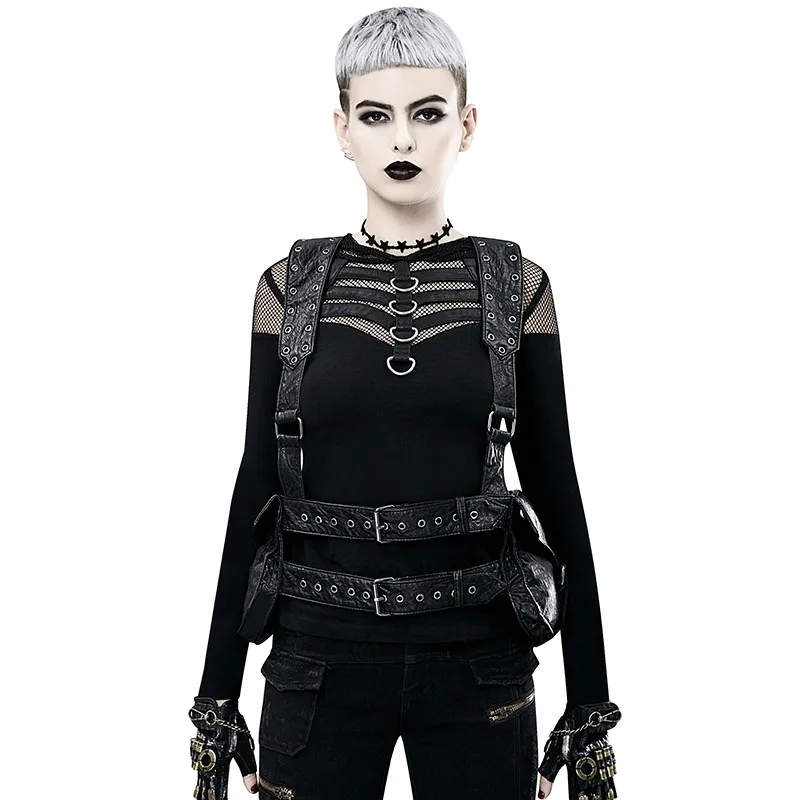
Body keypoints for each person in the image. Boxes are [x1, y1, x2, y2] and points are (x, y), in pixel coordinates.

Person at [187, 7, 621, 800]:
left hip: (480, 667)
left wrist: (590, 703)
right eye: (375, 116)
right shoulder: (286, 289)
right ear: (342, 129)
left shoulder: (519, 288)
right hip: (315, 658)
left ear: (466, 124)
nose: (402, 140)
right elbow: (257, 485)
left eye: (426, 114)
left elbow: (558, 492)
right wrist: (216, 698)